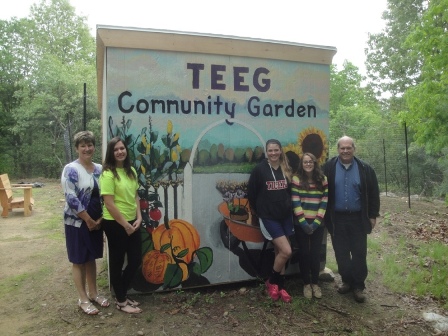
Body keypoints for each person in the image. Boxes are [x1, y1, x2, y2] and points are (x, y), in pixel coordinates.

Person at [323, 136, 380, 303]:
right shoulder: (329, 168)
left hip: (358, 218)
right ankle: (347, 281)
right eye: (342, 148)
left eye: (349, 148)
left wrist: (372, 215)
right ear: (338, 149)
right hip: (336, 218)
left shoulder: (365, 169)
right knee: (341, 252)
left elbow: (373, 193)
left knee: (359, 252)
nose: (345, 151)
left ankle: (358, 286)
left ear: (354, 149)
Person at [61, 131, 109, 315]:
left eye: (90, 145)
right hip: (77, 222)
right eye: (83, 145)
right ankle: (82, 299)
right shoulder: (71, 169)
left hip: (97, 221)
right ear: (77, 148)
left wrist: (100, 220)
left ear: (94, 147)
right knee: (79, 260)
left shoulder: (99, 168)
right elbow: (71, 197)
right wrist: (88, 220)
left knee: (91, 259)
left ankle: (94, 293)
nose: (87, 149)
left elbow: (106, 195)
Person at [100, 137, 143, 314]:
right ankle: (121, 300)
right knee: (117, 262)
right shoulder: (107, 174)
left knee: (135, 260)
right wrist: (125, 225)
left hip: (133, 222)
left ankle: (122, 294)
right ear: (111, 153)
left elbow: (135, 197)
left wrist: (139, 217)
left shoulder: (131, 170)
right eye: (116, 149)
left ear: (126, 150)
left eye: (122, 148)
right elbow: (109, 203)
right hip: (115, 224)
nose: (120, 152)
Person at [248, 139, 294, 303]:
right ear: (266, 152)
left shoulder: (286, 168)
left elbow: (290, 191)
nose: (273, 153)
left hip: (285, 216)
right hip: (269, 217)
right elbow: (251, 193)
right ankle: (272, 281)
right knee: (287, 251)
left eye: (276, 150)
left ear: (280, 151)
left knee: (279, 251)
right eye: (270, 150)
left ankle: (280, 288)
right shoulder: (259, 170)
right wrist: (259, 211)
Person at [291, 153, 328, 299]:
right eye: (305, 162)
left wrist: (316, 222)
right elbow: (295, 201)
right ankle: (306, 284)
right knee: (304, 253)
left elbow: (324, 201)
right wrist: (304, 223)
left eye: (310, 161)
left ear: (315, 163)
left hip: (318, 224)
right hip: (301, 224)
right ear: (302, 164)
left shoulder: (323, 179)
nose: (308, 164)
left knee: (315, 253)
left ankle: (315, 283)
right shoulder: (296, 179)